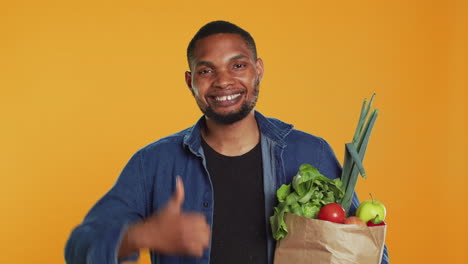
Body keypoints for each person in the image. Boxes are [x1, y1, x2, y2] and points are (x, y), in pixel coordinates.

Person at [65, 20, 389, 264]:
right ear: (191, 82)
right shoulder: (154, 163)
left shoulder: (310, 153)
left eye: (238, 65)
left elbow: (368, 251)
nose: (223, 81)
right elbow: (79, 247)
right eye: (207, 71)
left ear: (258, 70)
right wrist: (141, 235)